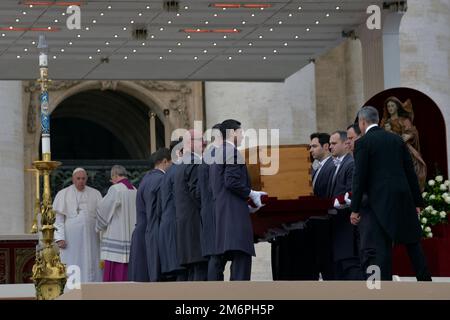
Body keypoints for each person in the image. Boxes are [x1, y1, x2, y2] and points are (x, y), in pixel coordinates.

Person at [351, 106, 431, 281]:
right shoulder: (396, 140)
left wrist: (355, 208)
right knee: (413, 243)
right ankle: (426, 283)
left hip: (379, 201)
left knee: (381, 246)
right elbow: (410, 172)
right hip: (404, 198)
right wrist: (418, 202)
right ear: (378, 120)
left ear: (362, 122)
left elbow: (360, 178)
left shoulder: (363, 143)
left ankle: (385, 290)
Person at [209, 119, 266, 281]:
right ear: (232, 133)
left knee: (227, 259)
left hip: (224, 213)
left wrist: (244, 204)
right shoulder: (232, 152)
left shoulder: (218, 152)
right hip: (233, 215)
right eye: (240, 133)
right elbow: (231, 181)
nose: (242, 136)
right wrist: (252, 193)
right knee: (242, 258)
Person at [53, 168, 103, 282]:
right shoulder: (63, 194)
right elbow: (59, 219)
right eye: (78, 178)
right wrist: (60, 238)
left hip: (92, 237)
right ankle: (73, 289)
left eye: (83, 178)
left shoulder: (95, 193)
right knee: (74, 261)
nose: (81, 181)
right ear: (73, 179)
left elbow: (101, 216)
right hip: (72, 240)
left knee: (92, 261)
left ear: (86, 179)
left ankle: (93, 289)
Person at [129, 149, 171, 281]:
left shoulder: (146, 178)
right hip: (151, 234)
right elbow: (157, 211)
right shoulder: (160, 179)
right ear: (165, 161)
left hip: (142, 232)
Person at [328, 131, 363, 280]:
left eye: (334, 143)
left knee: (351, 271)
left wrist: (338, 202)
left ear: (345, 144)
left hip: (348, 229)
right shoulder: (337, 165)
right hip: (338, 228)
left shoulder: (351, 164)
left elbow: (352, 193)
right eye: (329, 144)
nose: (330, 147)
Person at [174, 129, 208, 281]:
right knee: (200, 271)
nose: (205, 143)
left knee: (193, 271)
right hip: (195, 223)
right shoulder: (194, 162)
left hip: (185, 223)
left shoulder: (180, 164)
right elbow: (198, 193)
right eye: (201, 140)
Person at [96, 165, 137, 282]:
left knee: (115, 275)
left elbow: (104, 209)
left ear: (115, 175)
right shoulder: (134, 189)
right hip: (132, 235)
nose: (111, 181)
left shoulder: (116, 189)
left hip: (117, 235)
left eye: (111, 178)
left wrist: (99, 225)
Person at [380, 96, 427, 190]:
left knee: (416, 167)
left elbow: (410, 134)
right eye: (388, 106)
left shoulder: (404, 120)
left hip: (404, 149)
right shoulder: (385, 122)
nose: (390, 108)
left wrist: (409, 135)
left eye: (392, 106)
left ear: (397, 107)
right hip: (389, 150)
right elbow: (381, 138)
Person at [307, 132, 335, 280]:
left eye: (314, 146)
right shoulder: (316, 168)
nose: (310, 150)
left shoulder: (332, 166)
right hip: (316, 226)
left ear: (325, 146)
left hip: (327, 225)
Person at [197, 124, 224, 280]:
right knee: (215, 257)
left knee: (214, 256)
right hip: (216, 210)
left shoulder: (207, 156)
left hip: (207, 210)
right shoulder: (217, 156)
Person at [158, 139, 187, 281]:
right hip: (176, 224)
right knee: (181, 272)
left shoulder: (170, 171)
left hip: (169, 223)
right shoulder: (178, 171)